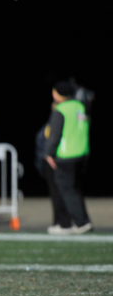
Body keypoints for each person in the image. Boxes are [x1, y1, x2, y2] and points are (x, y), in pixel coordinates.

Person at [43, 80, 92, 234]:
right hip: (82, 153)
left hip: (66, 154)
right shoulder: (80, 106)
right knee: (74, 189)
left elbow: (54, 135)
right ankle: (69, 223)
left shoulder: (61, 109)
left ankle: (78, 222)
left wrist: (48, 153)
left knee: (64, 189)